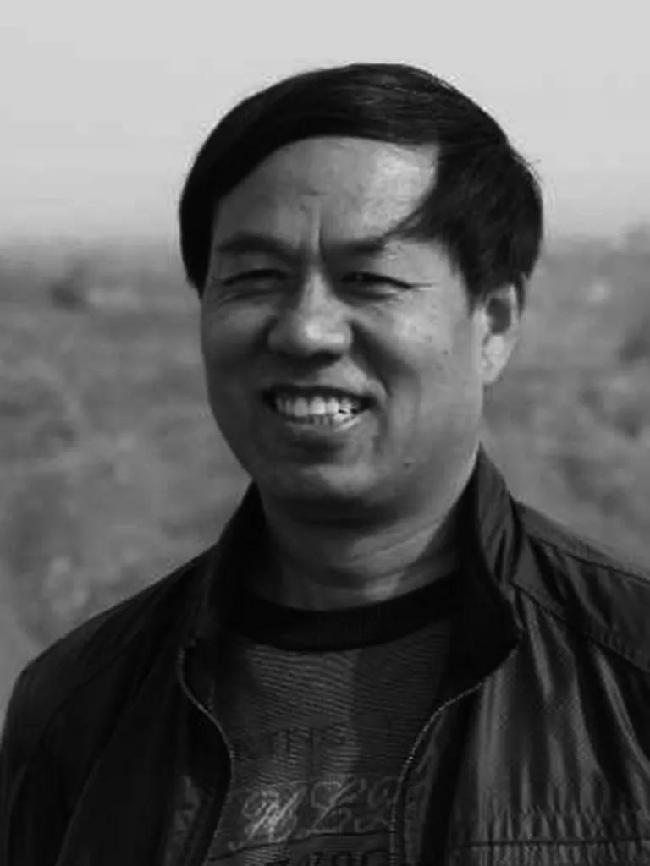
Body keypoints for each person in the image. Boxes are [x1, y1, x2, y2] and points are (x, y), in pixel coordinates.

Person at [1, 62, 650, 866]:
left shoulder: (627, 676)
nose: (307, 331)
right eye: (256, 279)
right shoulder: (80, 709)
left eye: (368, 280)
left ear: (493, 323)